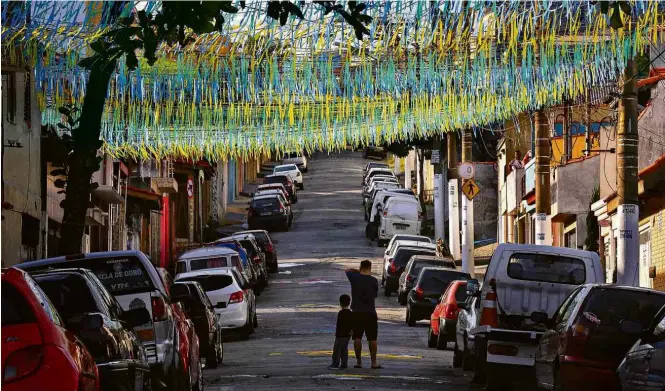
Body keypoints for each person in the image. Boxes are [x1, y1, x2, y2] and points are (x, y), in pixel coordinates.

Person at [345, 260, 382, 369]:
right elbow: (375, 295)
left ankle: (359, 362)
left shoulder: (354, 278)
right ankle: (374, 362)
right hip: (370, 312)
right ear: (370, 268)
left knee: (357, 337)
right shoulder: (374, 281)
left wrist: (358, 271)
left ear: (361, 267)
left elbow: (347, 270)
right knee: (372, 339)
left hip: (356, 312)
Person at [328, 294, 353, 370]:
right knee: (344, 349)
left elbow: (339, 325)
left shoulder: (341, 313)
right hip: (347, 334)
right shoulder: (350, 313)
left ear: (340, 303)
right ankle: (344, 364)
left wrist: (337, 333)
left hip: (340, 335)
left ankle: (335, 363)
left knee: (337, 350)